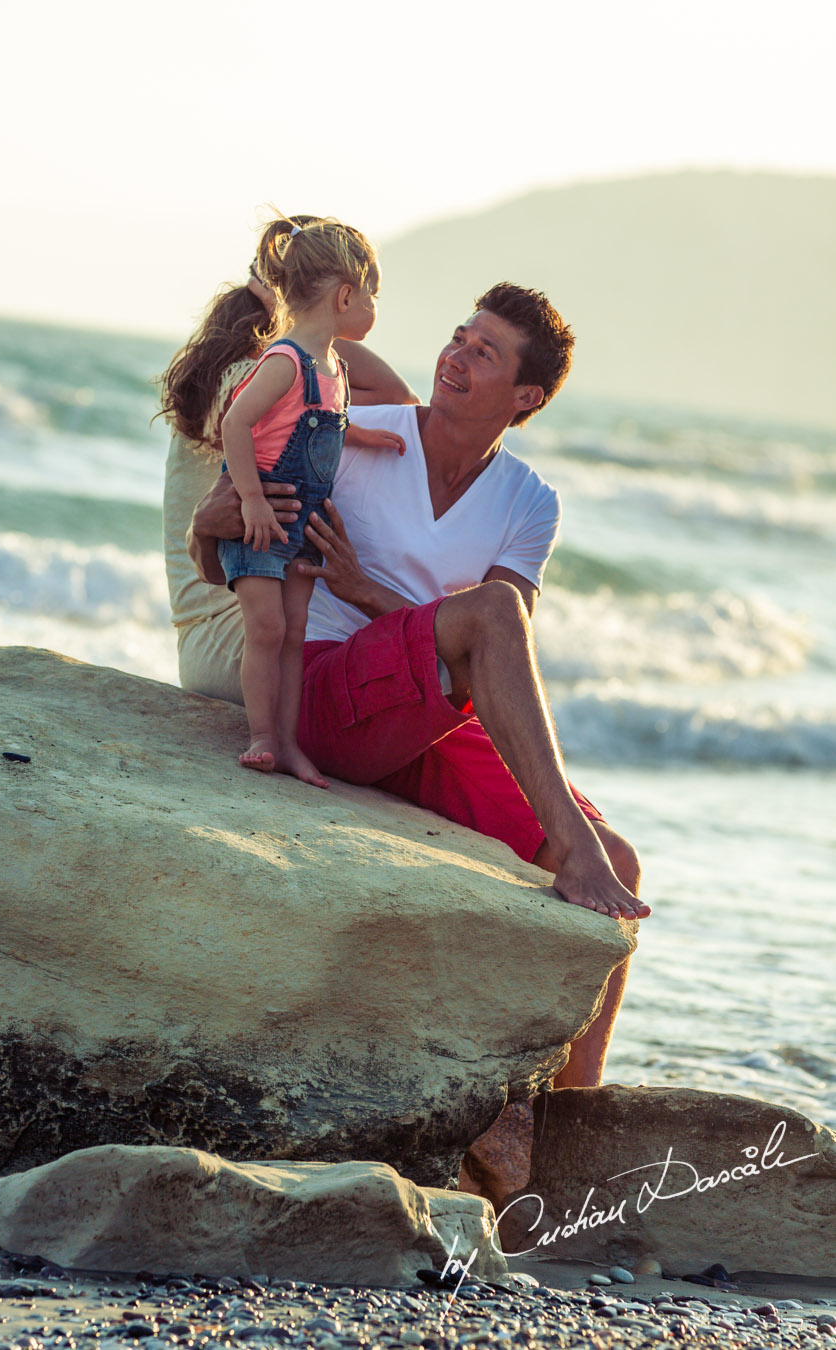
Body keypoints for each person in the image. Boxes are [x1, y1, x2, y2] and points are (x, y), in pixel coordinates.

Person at [186, 279, 650, 1091]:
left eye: (486, 352)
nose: (456, 356)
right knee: (496, 614)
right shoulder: (353, 436)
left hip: (426, 715)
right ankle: (569, 846)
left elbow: (489, 655)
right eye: (459, 337)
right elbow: (225, 548)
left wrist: (371, 593)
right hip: (326, 693)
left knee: (619, 858)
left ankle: (579, 1117)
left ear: (527, 394)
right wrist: (210, 526)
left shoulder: (528, 502)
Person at [159, 221, 418, 710]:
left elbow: (396, 400)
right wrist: (303, 322)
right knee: (383, 671)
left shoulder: (300, 370)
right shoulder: (246, 376)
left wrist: (315, 327)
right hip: (222, 631)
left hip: (256, 602)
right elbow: (397, 393)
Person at [214, 215, 403, 786]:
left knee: (295, 632)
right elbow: (236, 424)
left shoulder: (335, 368)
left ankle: (291, 745)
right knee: (267, 627)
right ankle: (263, 737)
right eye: (373, 295)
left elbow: (325, 424)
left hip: (303, 520)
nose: (374, 307)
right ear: (346, 296)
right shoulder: (286, 360)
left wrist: (362, 435)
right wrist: (250, 500)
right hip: (262, 520)